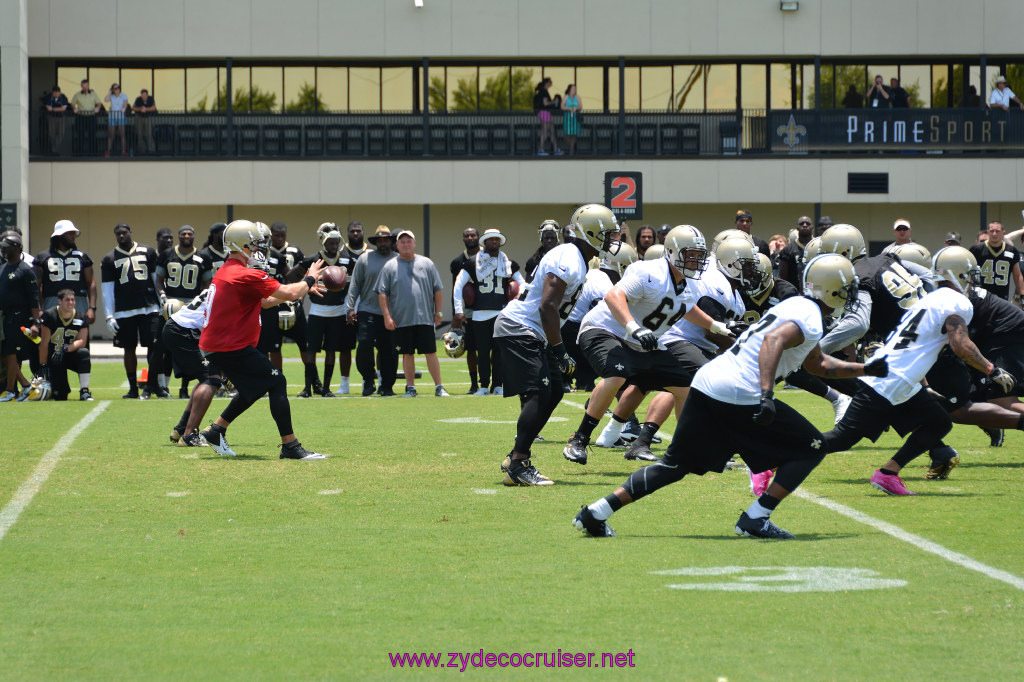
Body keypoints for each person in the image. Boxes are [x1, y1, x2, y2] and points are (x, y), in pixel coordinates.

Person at [573, 254, 886, 539]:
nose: (850, 296)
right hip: (740, 392)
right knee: (811, 447)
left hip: (709, 384)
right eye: (847, 289)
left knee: (674, 465)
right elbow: (773, 342)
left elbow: (818, 364)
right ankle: (756, 518)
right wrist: (765, 395)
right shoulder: (808, 315)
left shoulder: (797, 308)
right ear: (834, 289)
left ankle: (596, 512)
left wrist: (866, 368)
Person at [820, 256, 1014, 496]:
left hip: (902, 380)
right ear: (958, 275)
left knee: (939, 421)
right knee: (841, 439)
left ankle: (888, 474)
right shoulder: (956, 302)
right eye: (970, 275)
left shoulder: (932, 298)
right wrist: (991, 369)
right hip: (891, 381)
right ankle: (769, 460)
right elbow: (960, 344)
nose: (973, 281)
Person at [565, 227, 741, 466]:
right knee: (617, 374)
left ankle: (688, 447)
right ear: (671, 252)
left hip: (639, 341)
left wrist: (718, 326)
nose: (696, 260)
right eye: (690, 254)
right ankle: (579, 440)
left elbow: (687, 308)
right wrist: (632, 326)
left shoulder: (685, 282)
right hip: (605, 329)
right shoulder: (649, 272)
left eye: (699, 256)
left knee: (686, 386)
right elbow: (613, 296)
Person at [493, 203, 620, 486]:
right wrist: (561, 350)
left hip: (531, 330)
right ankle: (518, 463)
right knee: (540, 391)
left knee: (554, 392)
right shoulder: (570, 257)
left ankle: (516, 454)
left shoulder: (576, 257)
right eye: (608, 234)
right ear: (591, 233)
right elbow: (547, 306)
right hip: (520, 327)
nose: (613, 240)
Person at [197, 220, 328, 460]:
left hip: (220, 345)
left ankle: (217, 430)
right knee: (277, 381)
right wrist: (308, 280)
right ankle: (290, 446)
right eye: (254, 244)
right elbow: (290, 292)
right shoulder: (243, 274)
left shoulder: (229, 270)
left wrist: (301, 288)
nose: (258, 249)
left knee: (254, 388)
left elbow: (266, 301)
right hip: (228, 345)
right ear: (242, 244)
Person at [452, 228, 525, 395]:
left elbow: (523, 284)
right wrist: (458, 309)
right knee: (482, 352)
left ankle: (498, 385)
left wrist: (518, 304)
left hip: (502, 313)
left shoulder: (508, 263)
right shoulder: (472, 262)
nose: (494, 242)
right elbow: (458, 284)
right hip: (479, 314)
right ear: (484, 242)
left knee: (499, 353)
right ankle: (484, 385)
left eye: (496, 239)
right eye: (490, 239)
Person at [377, 230, 448, 397]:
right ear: (397, 245)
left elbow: (437, 290)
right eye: (402, 242)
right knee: (406, 353)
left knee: (430, 352)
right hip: (401, 319)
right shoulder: (390, 266)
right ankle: (410, 388)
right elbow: (382, 293)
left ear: (414, 243)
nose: (406, 244)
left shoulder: (427, 263)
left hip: (424, 318)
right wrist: (387, 317)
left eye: (409, 241)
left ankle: (439, 387)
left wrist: (438, 312)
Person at [100, 223, 164, 399]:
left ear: (130, 232)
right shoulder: (109, 258)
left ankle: (152, 386)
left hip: (149, 307)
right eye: (118, 234)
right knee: (128, 349)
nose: (121, 236)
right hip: (124, 311)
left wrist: (162, 303)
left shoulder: (148, 251)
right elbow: (107, 289)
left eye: (124, 233)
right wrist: (109, 315)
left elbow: (155, 279)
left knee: (154, 347)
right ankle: (133, 388)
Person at [289, 223, 347, 398]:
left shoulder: (346, 260)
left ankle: (327, 389)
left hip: (337, 310)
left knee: (331, 350)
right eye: (331, 242)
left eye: (336, 242)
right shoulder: (313, 260)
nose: (334, 245)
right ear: (324, 242)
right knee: (311, 350)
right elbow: (291, 274)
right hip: (317, 310)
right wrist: (301, 291)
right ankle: (308, 388)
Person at [155, 225, 214, 397]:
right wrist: (162, 294)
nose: (186, 236)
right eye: (183, 233)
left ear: (194, 236)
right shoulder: (167, 254)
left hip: (191, 310)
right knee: (162, 348)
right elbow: (159, 279)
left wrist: (200, 301)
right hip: (170, 306)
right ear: (178, 236)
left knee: (190, 349)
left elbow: (207, 283)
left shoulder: (203, 256)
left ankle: (184, 388)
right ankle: (161, 386)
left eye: (189, 233)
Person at [258, 221, 316, 390]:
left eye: (264, 239)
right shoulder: (246, 259)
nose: (262, 243)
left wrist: (304, 287)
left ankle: (312, 382)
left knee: (303, 342)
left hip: (279, 303)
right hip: (257, 307)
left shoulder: (277, 255)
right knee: (262, 348)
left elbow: (290, 276)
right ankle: (264, 382)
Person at [346, 225, 399, 396]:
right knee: (364, 344)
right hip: (367, 310)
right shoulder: (365, 259)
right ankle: (368, 380)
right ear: (375, 242)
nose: (383, 243)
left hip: (390, 313)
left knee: (389, 350)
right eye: (380, 240)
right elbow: (355, 285)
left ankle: (387, 385)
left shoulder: (399, 259)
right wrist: (350, 308)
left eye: (386, 240)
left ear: (391, 241)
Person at [164, 289, 220, 446]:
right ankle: (189, 435)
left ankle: (181, 429)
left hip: (179, 328)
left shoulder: (218, 285)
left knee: (206, 378)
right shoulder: (231, 290)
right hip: (184, 331)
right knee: (212, 379)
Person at [0, 232, 41, 402]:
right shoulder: (3, 268)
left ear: (16, 248)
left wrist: (35, 323)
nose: (2, 249)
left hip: (19, 317)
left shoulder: (25, 270)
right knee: (7, 354)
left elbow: (34, 298)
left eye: (6, 246)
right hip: (6, 317)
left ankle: (13, 390)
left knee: (11, 354)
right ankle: (22, 387)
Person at [34, 219, 97, 323]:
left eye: (74, 233)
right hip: (51, 301)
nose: (73, 236)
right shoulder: (43, 257)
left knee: (79, 335)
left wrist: (92, 308)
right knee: (52, 337)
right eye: (69, 233)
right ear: (59, 236)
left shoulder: (82, 257)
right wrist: (39, 309)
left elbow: (91, 283)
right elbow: (36, 286)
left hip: (78, 301)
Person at [333, 221, 368, 394]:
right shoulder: (340, 253)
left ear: (363, 232)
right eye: (352, 231)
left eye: (358, 231)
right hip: (346, 303)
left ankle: (368, 379)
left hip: (368, 304)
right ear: (347, 233)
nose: (355, 234)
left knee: (367, 345)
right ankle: (344, 383)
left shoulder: (370, 253)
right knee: (345, 346)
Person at [37, 289, 91, 401]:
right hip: (55, 358)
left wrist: (65, 349)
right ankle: (58, 389)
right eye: (67, 300)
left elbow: (82, 341)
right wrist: (43, 364)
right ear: (59, 301)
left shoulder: (80, 317)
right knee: (60, 396)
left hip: (70, 354)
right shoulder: (50, 315)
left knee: (84, 353)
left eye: (72, 300)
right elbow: (44, 342)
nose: (71, 303)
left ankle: (84, 391)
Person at [450, 227, 481, 394]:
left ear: (478, 237)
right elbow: (455, 288)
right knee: (471, 348)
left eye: (473, 235)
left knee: (492, 347)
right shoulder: (458, 261)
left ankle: (492, 381)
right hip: (469, 311)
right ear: (463, 239)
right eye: (466, 235)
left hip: (488, 307)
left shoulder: (488, 257)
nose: (470, 237)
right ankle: (474, 383)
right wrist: (456, 312)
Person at [969, 221, 1023, 305]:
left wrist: (1022, 295)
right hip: (980, 299)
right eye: (992, 231)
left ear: (1003, 233)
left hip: (1002, 299)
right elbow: (968, 272)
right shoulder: (977, 249)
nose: (994, 234)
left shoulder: (1011, 251)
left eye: (997, 231)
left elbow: (1017, 275)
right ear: (988, 232)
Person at [776, 216, 813, 288]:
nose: (804, 225)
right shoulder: (788, 249)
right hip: (794, 292)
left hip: (816, 291)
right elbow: (782, 277)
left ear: (812, 227)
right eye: (801, 224)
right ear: (797, 228)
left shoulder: (819, 246)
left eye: (807, 223)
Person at [70, 79, 103, 155]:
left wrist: (97, 108)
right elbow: (72, 103)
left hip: (91, 116)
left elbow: (99, 103)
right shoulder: (77, 94)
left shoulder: (93, 94)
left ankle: (93, 152)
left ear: (88, 86)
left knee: (92, 135)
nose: (85, 88)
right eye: (84, 86)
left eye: (87, 86)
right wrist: (74, 108)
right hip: (81, 116)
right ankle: (80, 153)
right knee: (80, 135)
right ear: (81, 86)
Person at [534, 78, 561, 156]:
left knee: (552, 130)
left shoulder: (543, 91)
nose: (551, 84)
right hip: (544, 112)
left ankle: (556, 149)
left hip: (546, 113)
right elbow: (545, 103)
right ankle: (540, 149)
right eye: (550, 82)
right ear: (547, 83)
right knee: (545, 131)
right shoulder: (544, 91)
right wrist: (554, 102)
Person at [103, 83, 129, 157]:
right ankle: (108, 151)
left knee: (122, 135)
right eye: (115, 88)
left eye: (118, 88)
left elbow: (125, 104)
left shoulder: (123, 95)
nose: (117, 89)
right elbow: (105, 100)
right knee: (111, 135)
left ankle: (123, 151)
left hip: (121, 117)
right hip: (112, 117)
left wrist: (124, 108)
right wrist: (109, 92)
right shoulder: (111, 96)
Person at [44, 85, 69, 154]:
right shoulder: (49, 97)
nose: (56, 94)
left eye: (57, 92)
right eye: (54, 92)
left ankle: (55, 148)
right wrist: (57, 109)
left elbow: (64, 108)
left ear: (59, 92)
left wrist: (53, 109)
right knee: (51, 133)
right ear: (52, 92)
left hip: (61, 117)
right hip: (52, 117)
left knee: (61, 133)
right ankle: (52, 150)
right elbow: (48, 108)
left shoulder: (63, 97)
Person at [132, 88, 156, 155]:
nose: (143, 97)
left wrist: (146, 109)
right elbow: (133, 108)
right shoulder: (138, 99)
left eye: (145, 95)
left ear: (147, 95)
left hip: (148, 117)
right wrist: (140, 109)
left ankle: (151, 150)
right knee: (140, 134)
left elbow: (153, 108)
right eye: (142, 95)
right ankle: (141, 150)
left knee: (149, 133)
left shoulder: (151, 99)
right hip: (139, 117)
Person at [561, 84, 582, 155]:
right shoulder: (566, 97)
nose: (574, 90)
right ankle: (570, 146)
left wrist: (576, 108)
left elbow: (580, 106)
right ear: (569, 90)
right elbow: (562, 106)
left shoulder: (578, 97)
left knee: (574, 134)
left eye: (575, 89)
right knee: (567, 134)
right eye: (573, 89)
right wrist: (569, 108)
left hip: (575, 118)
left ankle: (571, 151)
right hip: (568, 118)